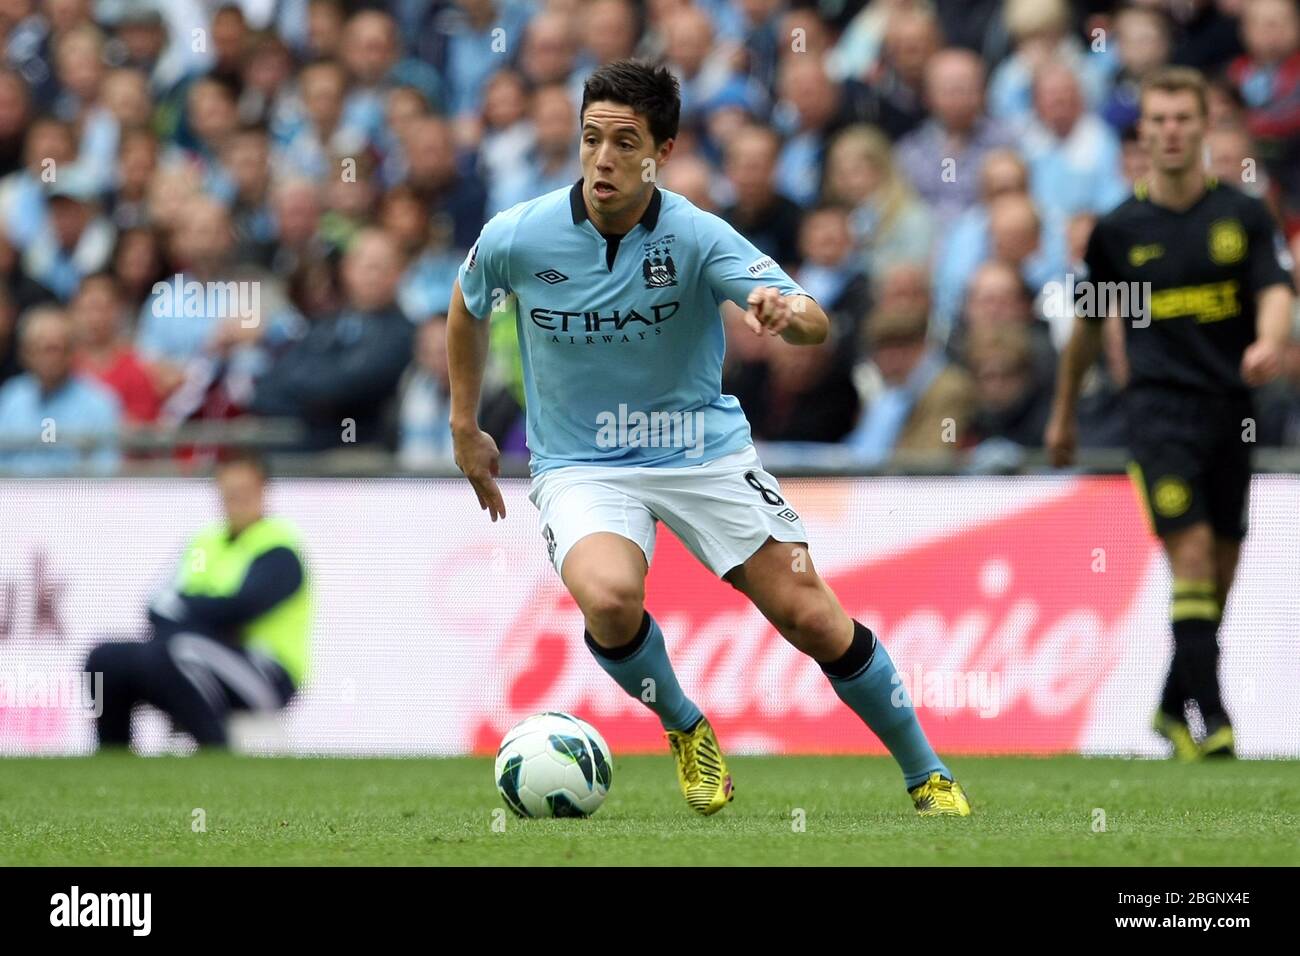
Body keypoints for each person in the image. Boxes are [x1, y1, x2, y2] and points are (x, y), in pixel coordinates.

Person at [447, 60, 971, 818]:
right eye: (592, 138)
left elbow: (814, 316)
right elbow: (467, 307)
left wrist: (786, 314)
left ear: (660, 150)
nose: (603, 158)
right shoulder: (519, 237)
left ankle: (929, 775)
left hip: (700, 451)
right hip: (582, 464)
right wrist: (466, 425)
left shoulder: (694, 234)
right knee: (609, 597)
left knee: (810, 616)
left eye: (625, 142)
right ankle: (685, 725)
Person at [1046, 67, 1296, 760]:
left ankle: (1166, 707)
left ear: (1204, 126)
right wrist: (1064, 415)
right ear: (1144, 135)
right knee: (1188, 557)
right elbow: (1089, 330)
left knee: (1217, 574)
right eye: (1158, 121)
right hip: (1157, 415)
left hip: (1232, 413)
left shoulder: (1242, 215)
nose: (1171, 132)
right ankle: (1209, 721)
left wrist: (1270, 342)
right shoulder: (1119, 232)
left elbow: (1276, 286)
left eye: (1184, 118)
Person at [86, 451, 312, 749]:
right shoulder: (204, 542)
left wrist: (191, 609)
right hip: (196, 652)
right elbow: (157, 607)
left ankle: (215, 748)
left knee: (174, 650)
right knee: (106, 659)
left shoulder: (279, 549)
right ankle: (113, 760)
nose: (237, 500)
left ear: (263, 491)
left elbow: (240, 609)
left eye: (245, 492)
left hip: (266, 672)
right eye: (229, 493)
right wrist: (204, 613)